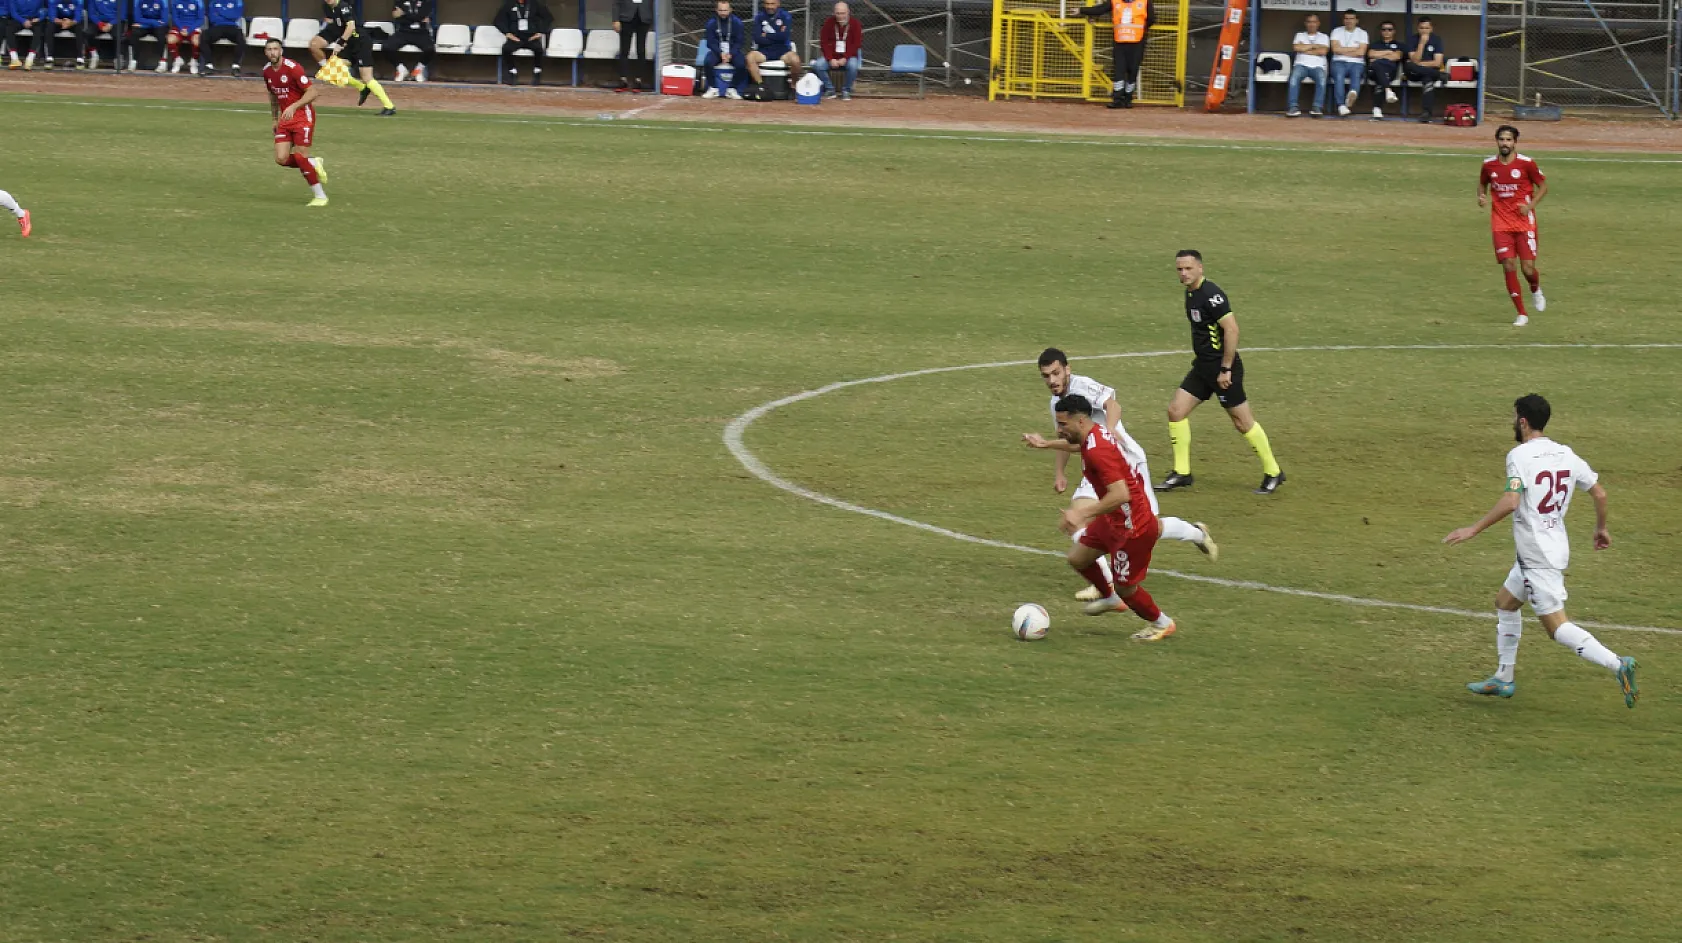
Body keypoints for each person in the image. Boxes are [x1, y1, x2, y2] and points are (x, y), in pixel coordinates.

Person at [1443, 394, 1637, 708]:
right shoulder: (1566, 454)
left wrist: (1473, 529)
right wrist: (1601, 528)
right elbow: (1599, 493)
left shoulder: (1519, 455)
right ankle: (1503, 678)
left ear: (1522, 421)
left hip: (1536, 555)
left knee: (1557, 627)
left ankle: (1618, 664)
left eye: (1514, 417)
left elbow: (1511, 501)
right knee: (1505, 603)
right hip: (1551, 545)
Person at [1032, 348, 1218, 601]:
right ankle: (1105, 584)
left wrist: (1107, 433)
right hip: (1098, 467)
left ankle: (1197, 533)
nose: (1052, 380)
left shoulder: (1082, 386)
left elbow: (1113, 404)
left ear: (1067, 369)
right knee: (1076, 517)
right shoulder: (1057, 403)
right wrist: (1059, 472)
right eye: (1046, 376)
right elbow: (1069, 438)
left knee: (1149, 528)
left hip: (1127, 463)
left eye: (1056, 373)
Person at [1022, 395, 1180, 642]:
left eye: (1063, 424)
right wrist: (1046, 444)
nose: (1059, 429)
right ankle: (1110, 598)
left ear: (1081, 420)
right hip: (1112, 520)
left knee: (1127, 588)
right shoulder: (1093, 433)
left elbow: (1120, 494)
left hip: (1132, 528)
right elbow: (1078, 447)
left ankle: (1162, 623)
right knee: (1077, 558)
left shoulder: (1098, 451)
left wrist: (1081, 513)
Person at [1158, 250, 1285, 495]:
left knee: (1243, 422)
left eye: (1188, 268)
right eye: (1179, 269)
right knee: (1176, 411)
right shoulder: (1191, 293)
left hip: (1223, 370)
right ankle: (1182, 472)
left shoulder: (1211, 295)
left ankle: (1273, 472)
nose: (1183, 273)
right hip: (1203, 368)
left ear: (1200, 269)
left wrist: (1226, 368)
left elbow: (1232, 330)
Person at [1479, 125, 1547, 326]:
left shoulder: (1527, 164)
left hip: (1525, 224)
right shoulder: (1489, 165)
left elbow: (1543, 186)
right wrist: (1481, 196)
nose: (1505, 143)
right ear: (1497, 141)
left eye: (1509, 140)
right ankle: (1521, 313)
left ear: (1515, 142)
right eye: (1501, 139)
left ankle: (1535, 288)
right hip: (1500, 223)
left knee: (1527, 269)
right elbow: (1483, 183)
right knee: (1508, 265)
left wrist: (1530, 206)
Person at [261, 37, 329, 207]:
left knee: (299, 156)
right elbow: (273, 95)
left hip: (302, 116)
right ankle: (313, 162)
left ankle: (320, 196)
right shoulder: (267, 72)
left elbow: (313, 93)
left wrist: (294, 106)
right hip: (285, 118)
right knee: (281, 159)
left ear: (281, 51)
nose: (272, 52)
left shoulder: (293, 68)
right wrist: (275, 118)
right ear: (265, 52)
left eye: (275, 49)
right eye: (269, 49)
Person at [310, 0, 397, 115]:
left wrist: (340, 43)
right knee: (332, 71)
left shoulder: (343, 6)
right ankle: (362, 88)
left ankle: (389, 106)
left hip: (361, 42)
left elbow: (351, 26)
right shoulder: (332, 8)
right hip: (350, 44)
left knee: (367, 77)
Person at [1072, 0, 1150, 109]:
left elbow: (1151, 19)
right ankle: (1117, 99)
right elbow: (1100, 9)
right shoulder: (1115, 2)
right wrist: (1082, 10)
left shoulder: (1145, 2)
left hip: (1137, 43)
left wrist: (1142, 33)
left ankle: (1128, 98)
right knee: (1119, 70)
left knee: (1133, 71)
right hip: (1120, 43)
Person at [811, 1, 860, 100]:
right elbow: (824, 42)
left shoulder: (855, 24)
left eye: (843, 13)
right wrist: (830, 58)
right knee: (818, 65)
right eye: (838, 13)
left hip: (849, 57)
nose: (840, 16)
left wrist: (845, 58)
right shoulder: (829, 22)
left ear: (848, 12)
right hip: (832, 56)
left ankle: (846, 90)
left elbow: (856, 44)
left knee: (853, 66)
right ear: (834, 13)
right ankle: (830, 90)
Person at [494, 0, 550, 85]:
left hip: (531, 37)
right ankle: (512, 72)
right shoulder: (509, 4)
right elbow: (497, 20)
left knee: (538, 50)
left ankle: (537, 72)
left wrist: (540, 32)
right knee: (506, 49)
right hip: (515, 37)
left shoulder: (534, 4)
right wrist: (507, 33)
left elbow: (548, 18)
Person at [746, 0, 800, 87]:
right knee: (750, 57)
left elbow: (784, 37)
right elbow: (757, 39)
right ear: (764, 4)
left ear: (778, 3)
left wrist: (766, 35)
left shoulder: (785, 16)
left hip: (782, 50)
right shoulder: (759, 17)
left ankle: (793, 85)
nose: (769, 7)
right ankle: (761, 86)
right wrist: (776, 36)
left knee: (796, 60)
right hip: (764, 51)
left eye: (772, 4)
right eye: (767, 4)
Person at [1285, 13, 1328, 117]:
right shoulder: (1299, 35)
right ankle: (1293, 107)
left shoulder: (1324, 36)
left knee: (1322, 80)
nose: (1311, 24)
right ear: (1305, 23)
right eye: (1309, 22)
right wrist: (1314, 46)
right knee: (1293, 79)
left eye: (1314, 22)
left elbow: (1323, 51)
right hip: (1301, 65)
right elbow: (1297, 48)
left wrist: (1305, 48)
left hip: (1318, 66)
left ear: (1318, 23)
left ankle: (1317, 107)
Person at [700, 0, 745, 99]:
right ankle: (713, 88)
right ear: (716, 10)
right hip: (717, 51)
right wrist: (720, 53)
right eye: (721, 10)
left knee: (741, 64)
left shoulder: (737, 23)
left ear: (730, 10)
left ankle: (732, 89)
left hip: (732, 51)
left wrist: (731, 53)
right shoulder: (711, 23)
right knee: (708, 62)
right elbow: (710, 42)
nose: (723, 13)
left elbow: (740, 41)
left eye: (725, 10)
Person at [1404, 16, 1444, 122]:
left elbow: (1437, 62)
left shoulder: (1436, 40)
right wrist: (1421, 44)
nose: (1424, 31)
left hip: (1428, 73)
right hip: (1414, 73)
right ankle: (1440, 75)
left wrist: (1419, 65)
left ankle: (1426, 113)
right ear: (1418, 28)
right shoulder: (1412, 40)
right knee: (1409, 65)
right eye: (1422, 28)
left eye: (1427, 28)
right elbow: (1414, 60)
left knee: (1428, 80)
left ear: (1431, 29)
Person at [1328, 10, 1366, 116]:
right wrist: (1353, 49)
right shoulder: (1336, 31)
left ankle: (1352, 95)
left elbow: (1361, 52)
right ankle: (1341, 105)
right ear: (1343, 20)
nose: (1349, 21)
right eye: (1346, 18)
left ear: (1356, 20)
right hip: (1338, 62)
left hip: (1357, 63)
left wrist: (1343, 50)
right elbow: (1335, 49)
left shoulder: (1362, 33)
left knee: (1356, 75)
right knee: (1339, 76)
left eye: (1351, 18)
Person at [385, 0, 434, 82]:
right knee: (387, 47)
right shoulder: (399, 1)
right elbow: (398, 18)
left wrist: (404, 14)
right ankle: (401, 69)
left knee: (430, 49)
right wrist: (417, 18)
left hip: (421, 32)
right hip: (403, 32)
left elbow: (424, 16)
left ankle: (418, 70)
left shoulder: (426, 2)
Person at [1364, 20, 1402, 119]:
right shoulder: (1375, 44)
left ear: (1394, 31)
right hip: (1374, 71)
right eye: (1384, 29)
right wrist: (1388, 53)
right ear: (1381, 31)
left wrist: (1379, 56)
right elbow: (1370, 54)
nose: (1387, 32)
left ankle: (1377, 109)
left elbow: (1396, 56)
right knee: (1379, 69)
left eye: (1389, 29)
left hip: (1391, 71)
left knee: (1379, 72)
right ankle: (1388, 91)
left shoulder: (1398, 44)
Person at [611, 0, 649, 91]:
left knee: (641, 50)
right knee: (624, 50)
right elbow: (616, 3)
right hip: (626, 18)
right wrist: (615, 20)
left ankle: (638, 80)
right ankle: (623, 80)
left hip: (644, 18)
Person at [37, 0, 83, 70]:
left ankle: (80, 58)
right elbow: (52, 16)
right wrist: (62, 22)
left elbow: (78, 16)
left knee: (79, 28)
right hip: (58, 22)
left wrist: (70, 22)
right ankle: (49, 58)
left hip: (72, 22)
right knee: (49, 27)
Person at [200, 0, 242, 75]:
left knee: (241, 39)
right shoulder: (213, 2)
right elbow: (212, 18)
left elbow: (236, 16)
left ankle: (236, 66)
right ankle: (208, 65)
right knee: (203, 37)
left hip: (232, 26)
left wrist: (220, 12)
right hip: (217, 26)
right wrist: (228, 13)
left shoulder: (237, 1)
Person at [126, 0, 168, 71]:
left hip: (157, 27)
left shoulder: (162, 1)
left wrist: (146, 22)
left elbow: (164, 20)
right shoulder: (139, 1)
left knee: (162, 36)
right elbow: (137, 18)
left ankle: (162, 62)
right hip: (147, 26)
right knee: (134, 33)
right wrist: (154, 22)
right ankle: (133, 61)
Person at [4, 0, 45, 70]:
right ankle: (14, 59)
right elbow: (13, 13)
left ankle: (30, 59)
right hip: (19, 18)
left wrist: (40, 18)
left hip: (33, 19)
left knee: (39, 29)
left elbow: (44, 9)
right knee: (9, 28)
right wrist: (23, 21)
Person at [165, 0, 200, 72]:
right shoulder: (175, 2)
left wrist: (189, 30)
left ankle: (194, 61)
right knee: (170, 39)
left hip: (193, 27)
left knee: (197, 41)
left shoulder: (198, 2)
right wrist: (181, 28)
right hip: (179, 27)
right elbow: (175, 17)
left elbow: (200, 19)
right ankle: (177, 59)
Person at [84, 0, 119, 69]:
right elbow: (91, 13)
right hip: (98, 21)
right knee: (88, 33)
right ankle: (94, 55)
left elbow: (122, 14)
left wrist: (110, 24)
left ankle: (117, 58)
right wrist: (100, 23)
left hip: (114, 22)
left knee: (117, 35)